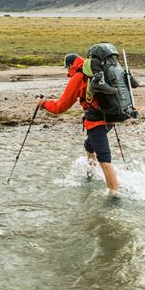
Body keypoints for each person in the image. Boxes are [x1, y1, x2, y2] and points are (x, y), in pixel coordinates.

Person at [36, 53, 120, 196]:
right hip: (111, 117)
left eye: (67, 68)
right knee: (89, 145)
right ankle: (91, 174)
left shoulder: (79, 76)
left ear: (70, 66)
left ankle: (114, 196)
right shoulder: (96, 72)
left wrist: (43, 104)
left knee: (104, 160)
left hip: (96, 121)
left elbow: (60, 107)